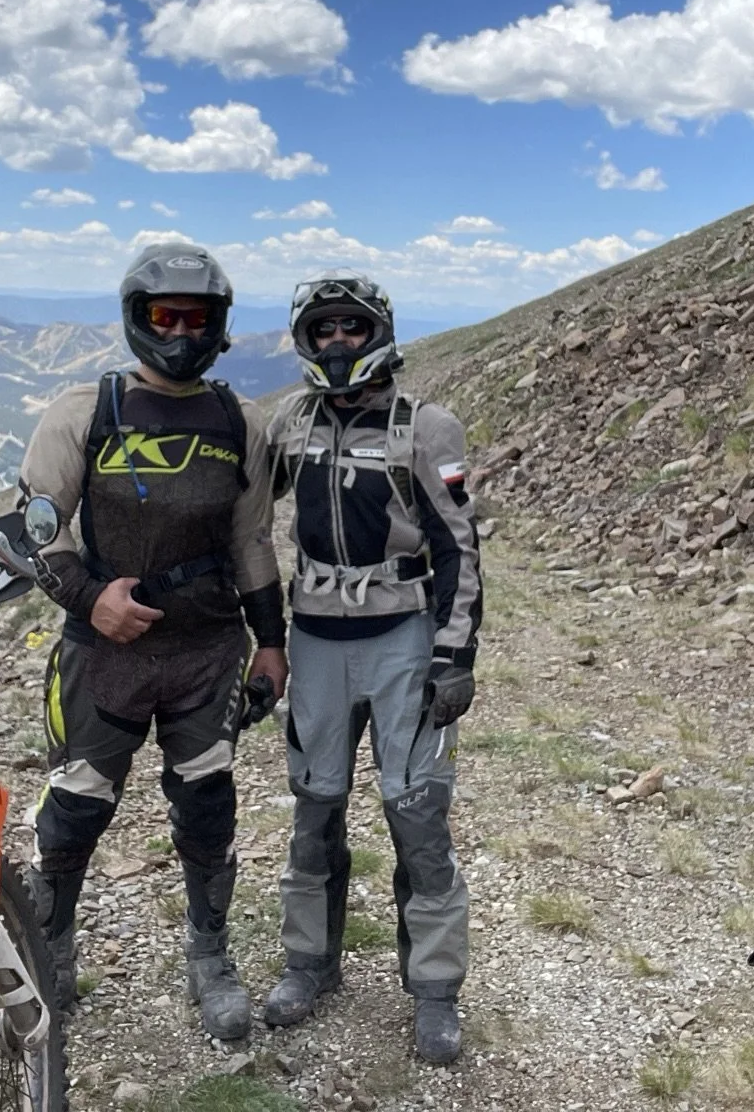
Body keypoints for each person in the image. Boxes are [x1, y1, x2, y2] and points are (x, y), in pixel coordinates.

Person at [17, 242, 288, 1043]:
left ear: (219, 326)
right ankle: (51, 948)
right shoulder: (83, 412)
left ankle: (210, 957)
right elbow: (36, 536)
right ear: (138, 318)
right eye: (164, 315)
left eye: (195, 317)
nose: (180, 331)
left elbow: (254, 544)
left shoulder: (238, 423)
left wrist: (270, 645)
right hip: (104, 656)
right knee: (76, 806)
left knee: (208, 805)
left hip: (207, 652)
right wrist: (91, 597)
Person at [260, 272, 483, 1065]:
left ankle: (433, 991)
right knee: (313, 812)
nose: (337, 343)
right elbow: (244, 515)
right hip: (316, 641)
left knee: (417, 816)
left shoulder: (426, 428)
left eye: (350, 328)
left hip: (401, 642)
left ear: (378, 331)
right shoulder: (290, 425)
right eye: (322, 331)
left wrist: (455, 657)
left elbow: (459, 545)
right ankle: (309, 966)